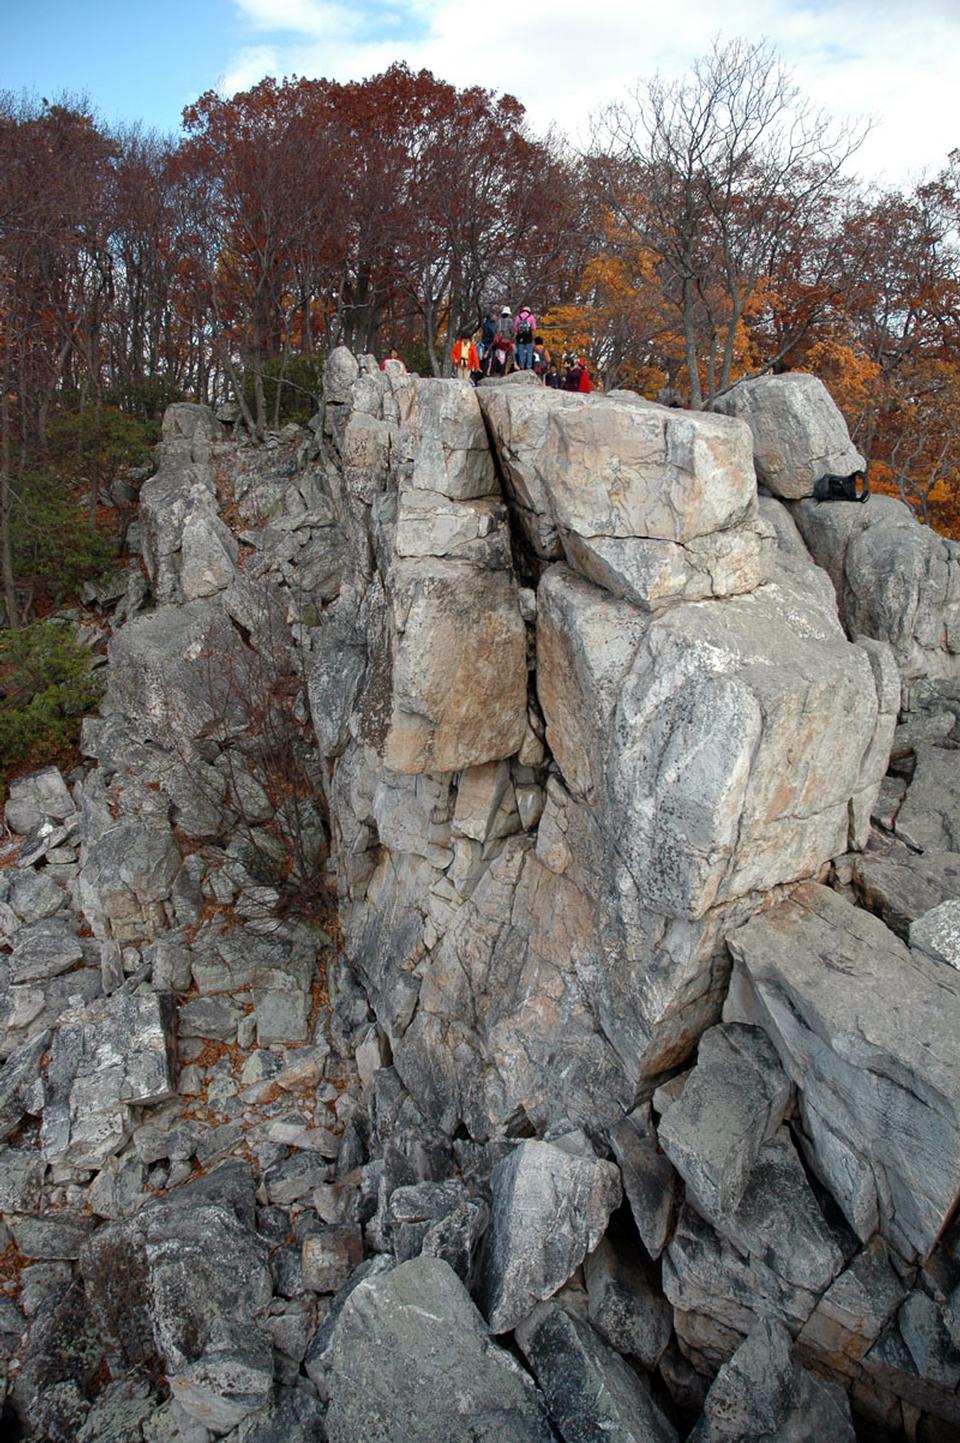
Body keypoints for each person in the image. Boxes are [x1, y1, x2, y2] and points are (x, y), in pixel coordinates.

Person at [514, 305, 537, 370]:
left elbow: (515, 328)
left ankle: (522, 367)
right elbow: (534, 328)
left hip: (520, 338)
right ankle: (528, 367)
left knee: (521, 353)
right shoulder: (531, 317)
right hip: (528, 337)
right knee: (529, 353)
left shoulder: (518, 317)